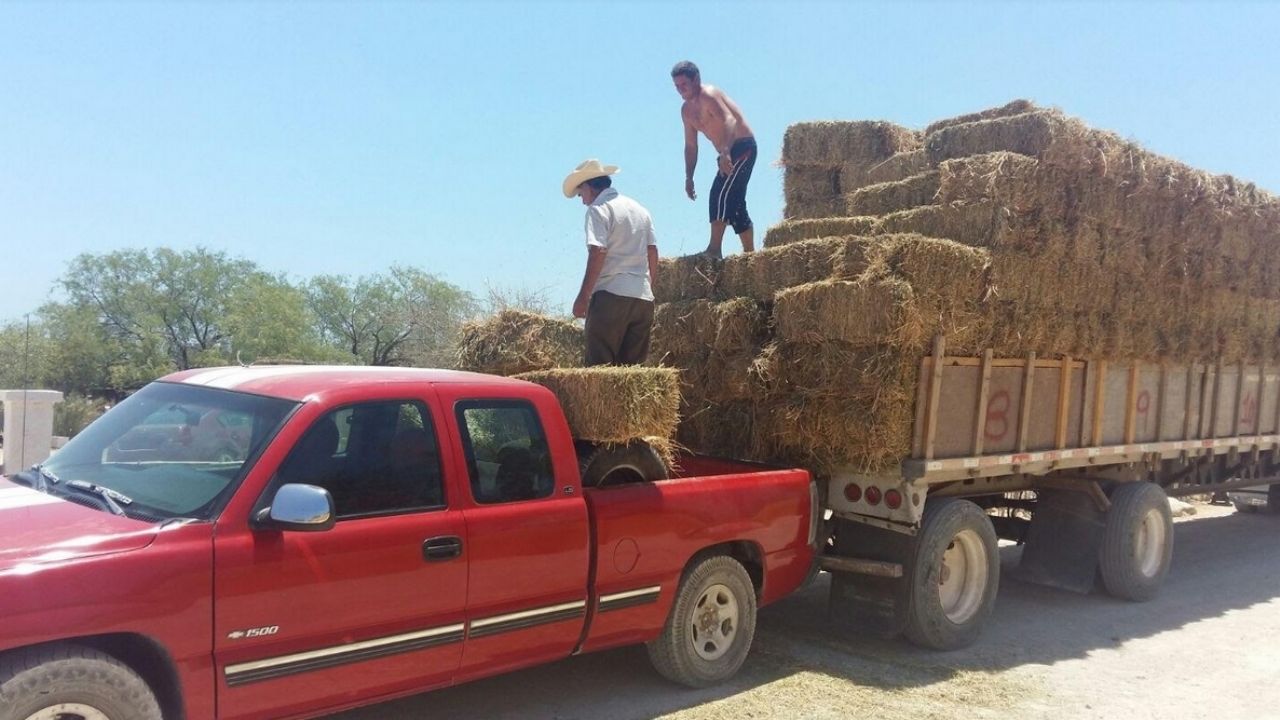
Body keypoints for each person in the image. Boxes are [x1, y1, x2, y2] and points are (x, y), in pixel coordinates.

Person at [562, 159, 659, 366]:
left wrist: (583, 297)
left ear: (588, 186)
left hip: (611, 297)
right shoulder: (640, 210)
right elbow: (652, 251)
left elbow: (598, 251)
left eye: (581, 194)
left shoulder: (599, 209)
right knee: (632, 374)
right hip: (643, 299)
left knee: (600, 370)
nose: (582, 201)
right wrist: (648, 288)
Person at [672, 60, 757, 258]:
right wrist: (689, 177)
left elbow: (730, 120)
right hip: (726, 152)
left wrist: (725, 152)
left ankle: (714, 249)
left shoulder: (709, 95)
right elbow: (691, 146)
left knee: (719, 193)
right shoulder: (686, 111)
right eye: (677, 86)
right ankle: (751, 257)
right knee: (735, 202)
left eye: (684, 84)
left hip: (741, 146)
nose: (680, 89)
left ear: (696, 79)